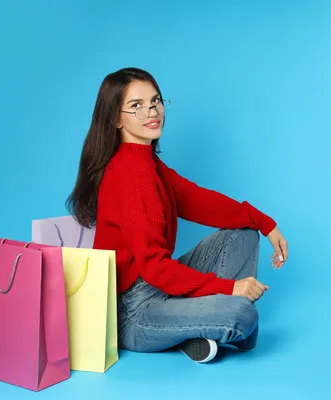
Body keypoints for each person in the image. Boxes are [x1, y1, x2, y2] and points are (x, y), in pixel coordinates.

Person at [66, 67, 288, 363]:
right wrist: (231, 288)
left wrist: (264, 223)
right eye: (136, 106)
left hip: (158, 288)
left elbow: (198, 201)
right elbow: (156, 268)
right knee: (242, 315)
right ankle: (188, 327)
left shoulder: (146, 163)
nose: (151, 111)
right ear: (116, 119)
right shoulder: (131, 177)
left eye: (155, 101)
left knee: (245, 232)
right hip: (133, 313)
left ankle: (190, 329)